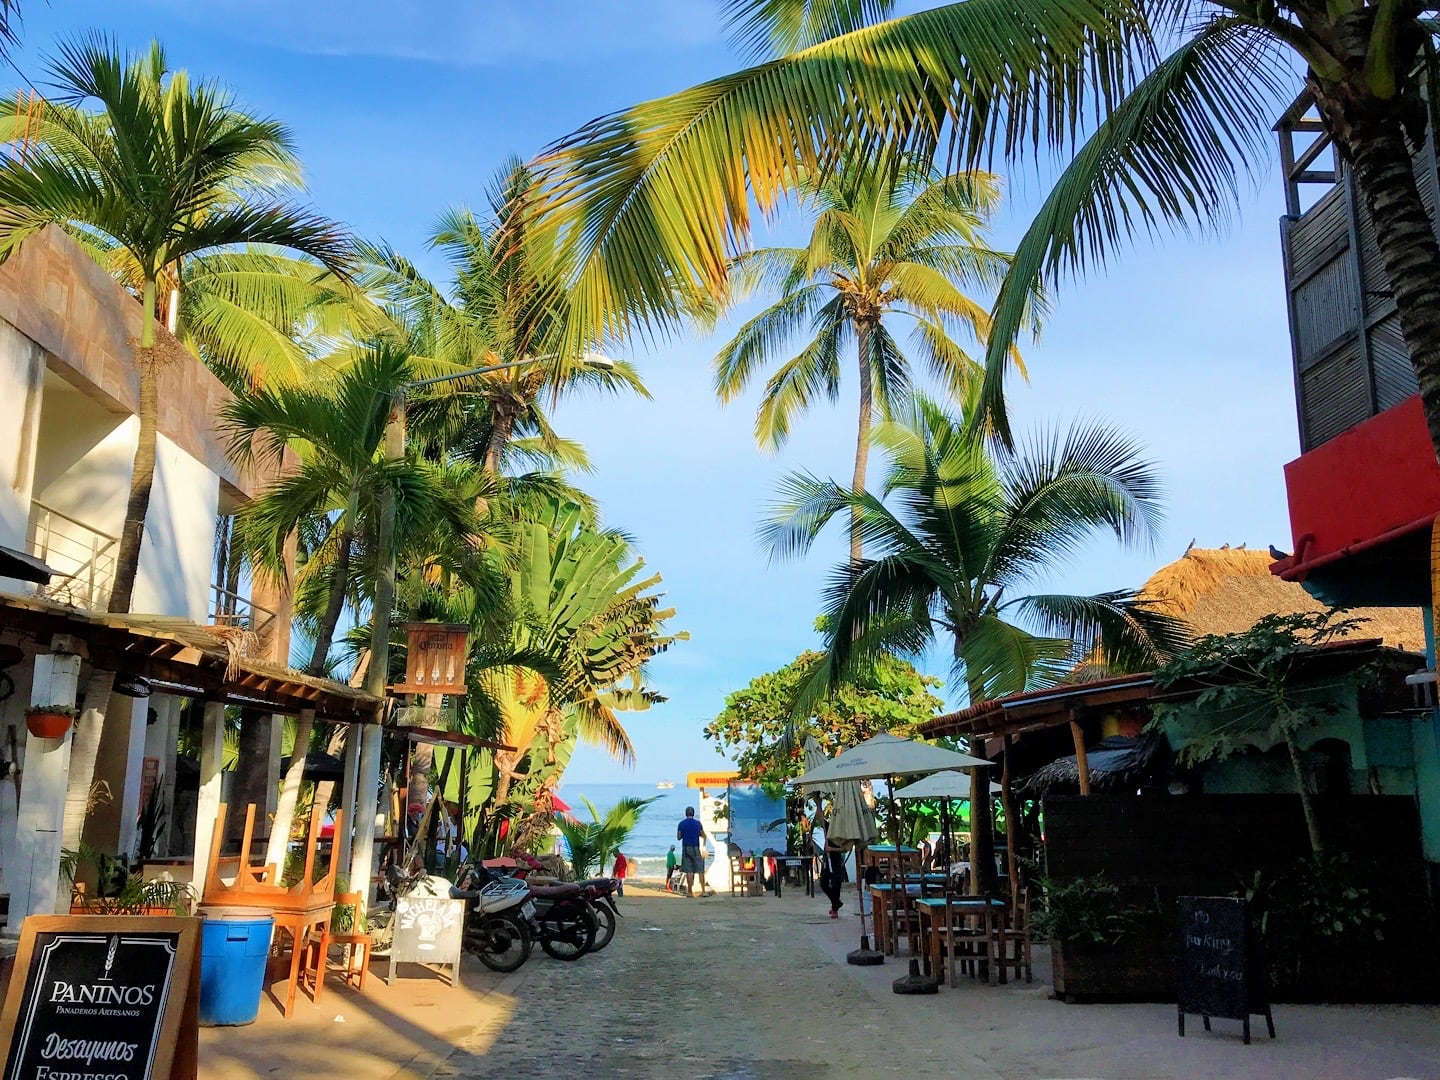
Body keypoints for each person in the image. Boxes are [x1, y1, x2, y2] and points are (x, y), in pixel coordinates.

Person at [676, 806, 711, 896]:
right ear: (693, 813)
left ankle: (690, 892)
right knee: (700, 870)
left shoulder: (681, 824)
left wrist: (685, 834)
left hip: (686, 847)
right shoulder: (698, 823)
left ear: (686, 813)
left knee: (689, 871)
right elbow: (703, 835)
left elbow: (679, 837)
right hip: (696, 847)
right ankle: (703, 891)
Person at [819, 834, 848, 918]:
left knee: (836, 885)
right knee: (823, 882)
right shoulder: (828, 829)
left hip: (836, 861)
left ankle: (835, 908)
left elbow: (844, 849)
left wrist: (831, 849)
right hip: (827, 861)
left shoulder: (840, 831)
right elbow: (821, 821)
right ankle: (836, 903)